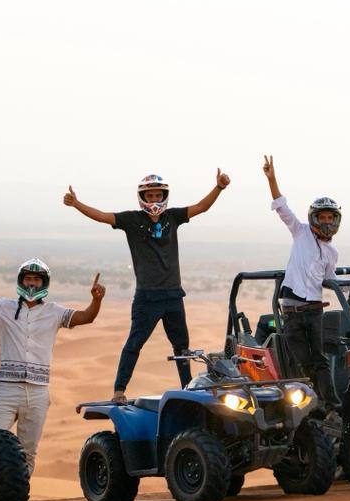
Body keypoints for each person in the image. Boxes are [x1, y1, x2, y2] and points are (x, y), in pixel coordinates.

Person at [63, 169, 230, 404]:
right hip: (147, 297)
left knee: (182, 348)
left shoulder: (173, 217)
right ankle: (119, 391)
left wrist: (219, 188)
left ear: (164, 197)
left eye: (157, 196)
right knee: (134, 344)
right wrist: (76, 203)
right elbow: (102, 216)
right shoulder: (132, 220)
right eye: (149, 196)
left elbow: (201, 207)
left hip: (173, 295)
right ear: (143, 197)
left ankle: (188, 390)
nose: (154, 200)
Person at [0, 258, 105, 501]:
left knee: (27, 451)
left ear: (44, 283)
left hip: (38, 391)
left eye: (36, 279)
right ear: (21, 281)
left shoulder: (55, 312)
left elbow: (85, 318)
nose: (31, 283)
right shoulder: (3, 307)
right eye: (28, 279)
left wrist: (96, 300)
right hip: (6, 387)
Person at [262, 155, 350, 412]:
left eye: (329, 218)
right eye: (321, 217)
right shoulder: (300, 232)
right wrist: (271, 178)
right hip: (291, 310)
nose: (325, 222)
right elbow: (281, 207)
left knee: (320, 360)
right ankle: (309, 404)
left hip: (314, 310)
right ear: (313, 218)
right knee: (302, 361)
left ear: (335, 221)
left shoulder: (332, 252)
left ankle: (331, 405)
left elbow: (331, 281)